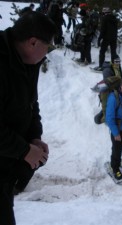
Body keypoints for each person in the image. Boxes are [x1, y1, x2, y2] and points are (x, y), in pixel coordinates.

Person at [0, 11, 57, 225]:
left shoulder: (28, 61)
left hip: (7, 163)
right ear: (33, 42)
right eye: (48, 46)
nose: (47, 52)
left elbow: (31, 103)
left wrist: (34, 136)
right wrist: (23, 151)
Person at [92, 57, 122, 124]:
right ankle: (105, 115)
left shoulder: (118, 68)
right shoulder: (107, 70)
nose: (118, 63)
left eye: (119, 61)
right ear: (112, 62)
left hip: (118, 89)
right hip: (110, 91)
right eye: (116, 61)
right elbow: (108, 83)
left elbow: (121, 79)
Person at [94, 7, 119, 72]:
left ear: (104, 13)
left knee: (102, 52)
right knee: (113, 52)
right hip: (114, 38)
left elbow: (102, 30)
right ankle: (115, 67)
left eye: (103, 13)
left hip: (106, 38)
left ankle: (101, 66)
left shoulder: (104, 19)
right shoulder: (114, 18)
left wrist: (99, 39)